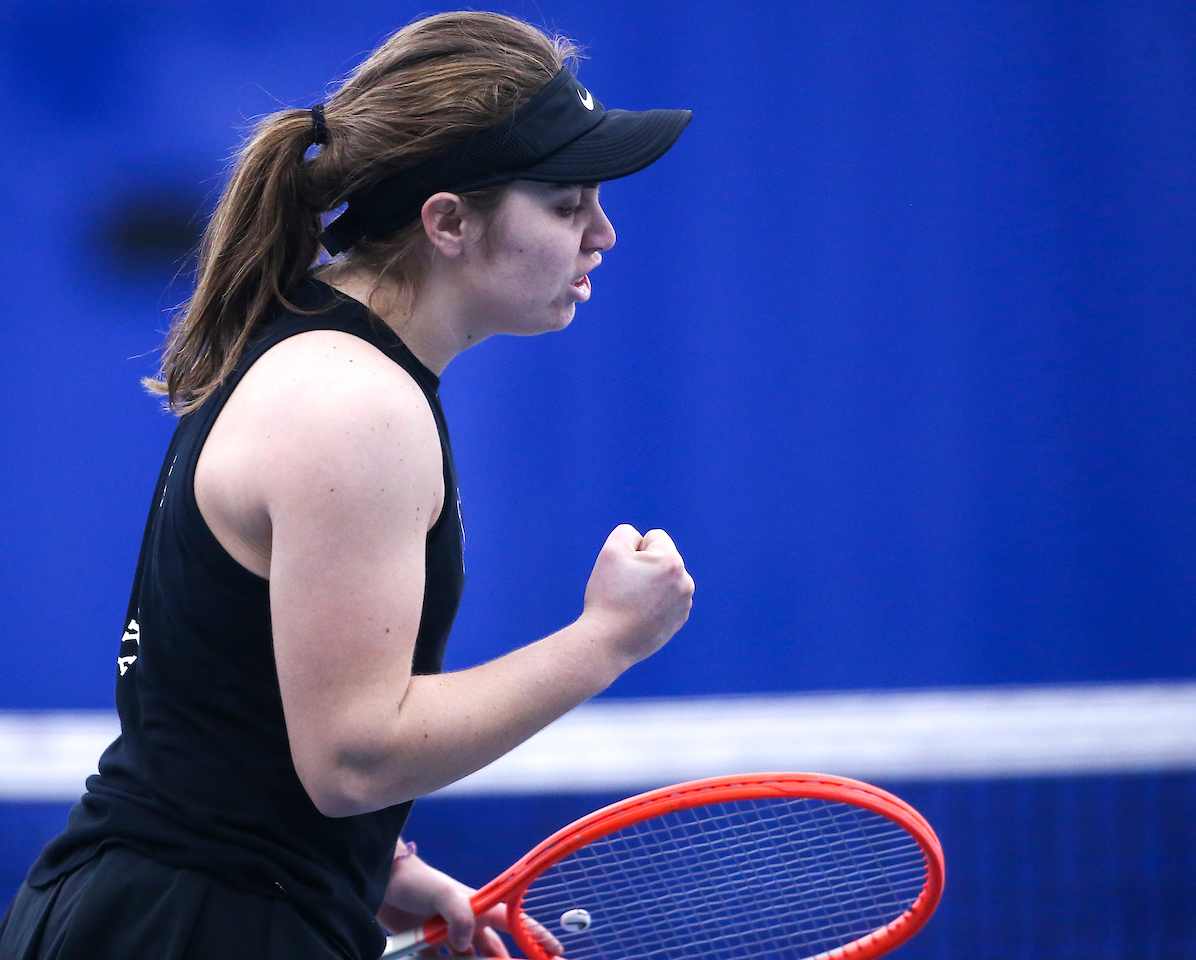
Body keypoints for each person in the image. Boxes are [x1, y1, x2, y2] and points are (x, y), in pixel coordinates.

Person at [0, 10, 694, 960]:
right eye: (567, 204)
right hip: (194, 924)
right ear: (447, 221)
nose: (602, 235)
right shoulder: (354, 404)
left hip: (170, 907)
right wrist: (607, 642)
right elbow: (354, 755)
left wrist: (363, 866)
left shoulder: (322, 355)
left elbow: (228, 705)